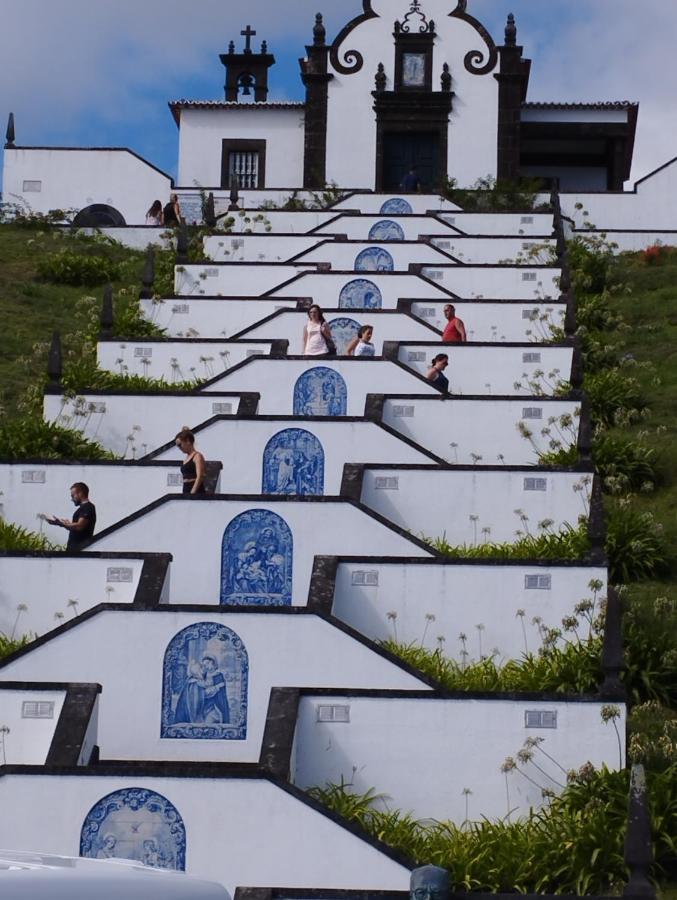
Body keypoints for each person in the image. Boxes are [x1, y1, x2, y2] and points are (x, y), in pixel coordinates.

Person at [47, 482, 97, 550]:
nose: (72, 499)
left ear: (80, 493)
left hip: (80, 550)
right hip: (75, 549)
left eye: (73, 496)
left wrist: (62, 523)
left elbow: (79, 526)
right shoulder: (83, 508)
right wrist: (63, 524)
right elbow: (75, 528)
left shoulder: (88, 507)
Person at [175, 427, 206, 495]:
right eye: (178, 446)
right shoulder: (186, 458)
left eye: (180, 445)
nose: (179, 448)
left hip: (196, 491)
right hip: (186, 489)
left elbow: (200, 476)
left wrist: (192, 493)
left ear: (188, 441)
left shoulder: (197, 456)